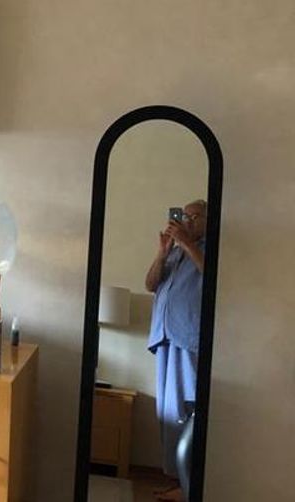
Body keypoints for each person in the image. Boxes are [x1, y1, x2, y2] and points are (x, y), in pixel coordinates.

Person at [145, 199, 207, 502]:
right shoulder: (174, 250)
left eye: (194, 216)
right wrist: (163, 251)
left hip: (189, 340)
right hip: (165, 339)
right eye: (184, 216)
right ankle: (180, 482)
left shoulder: (208, 249)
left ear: (209, 221)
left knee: (191, 412)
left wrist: (187, 243)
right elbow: (150, 284)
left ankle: (192, 485)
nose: (187, 221)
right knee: (170, 415)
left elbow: (215, 278)